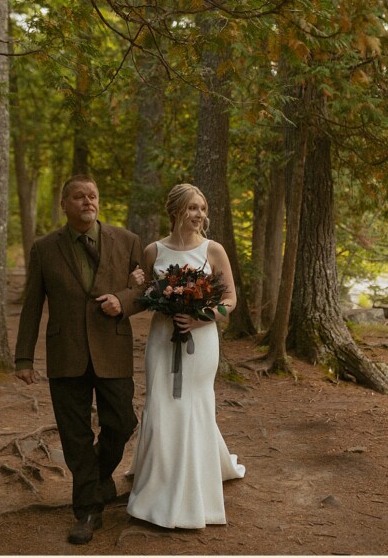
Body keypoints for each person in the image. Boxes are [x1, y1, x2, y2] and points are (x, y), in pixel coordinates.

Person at [14, 175, 145, 545]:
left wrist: (123, 300)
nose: (88, 201)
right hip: (66, 352)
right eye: (78, 196)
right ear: (64, 204)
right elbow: (32, 304)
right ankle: (87, 509)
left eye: (92, 195)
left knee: (122, 422)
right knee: (75, 435)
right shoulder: (44, 248)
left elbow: (144, 289)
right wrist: (23, 357)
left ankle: (97, 479)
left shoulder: (127, 241)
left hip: (112, 348)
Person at [126, 183, 246, 529]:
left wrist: (201, 317)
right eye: (193, 208)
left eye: (202, 208)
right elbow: (143, 293)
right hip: (163, 338)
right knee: (160, 404)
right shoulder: (153, 251)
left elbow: (230, 300)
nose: (199, 215)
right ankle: (157, 487)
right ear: (176, 210)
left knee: (194, 404)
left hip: (201, 339)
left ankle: (195, 492)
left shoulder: (213, 250)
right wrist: (135, 281)